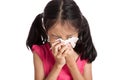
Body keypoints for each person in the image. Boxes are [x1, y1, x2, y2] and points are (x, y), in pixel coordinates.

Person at [26, 0, 97, 80]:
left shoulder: (85, 53)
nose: (63, 42)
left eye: (70, 37)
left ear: (79, 30)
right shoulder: (40, 52)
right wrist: (58, 65)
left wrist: (72, 65)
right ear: (46, 31)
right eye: (57, 37)